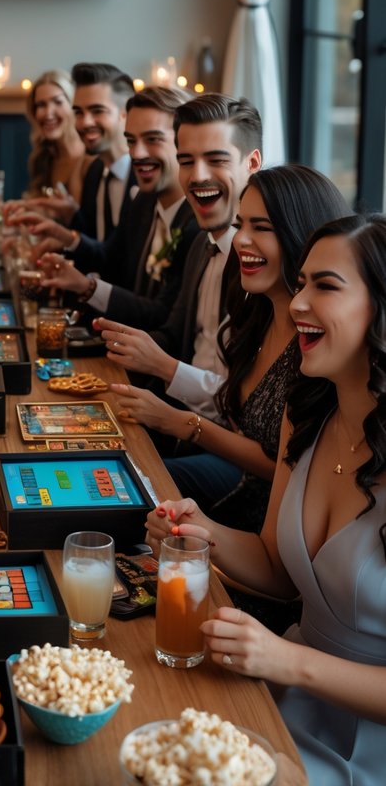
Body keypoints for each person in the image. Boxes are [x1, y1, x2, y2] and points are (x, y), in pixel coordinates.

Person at [146, 214, 386, 786]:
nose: (298, 302)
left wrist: (286, 660)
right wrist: (205, 533)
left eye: (325, 286)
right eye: (301, 283)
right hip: (286, 697)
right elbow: (280, 573)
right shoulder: (305, 416)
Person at [111, 165, 348, 530]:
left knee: (127, 495)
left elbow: (291, 467)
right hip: (235, 484)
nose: (240, 240)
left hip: (267, 517)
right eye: (242, 225)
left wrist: (183, 423)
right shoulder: (257, 313)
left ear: (303, 236)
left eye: (262, 228)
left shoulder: (318, 344)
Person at [96, 93, 262, 422]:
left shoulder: (265, 264)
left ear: (252, 164)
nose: (197, 176)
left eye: (216, 160)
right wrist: (119, 345)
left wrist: (162, 366)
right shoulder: (203, 245)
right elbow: (173, 333)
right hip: (181, 416)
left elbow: (248, 404)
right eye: (186, 161)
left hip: (228, 443)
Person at [37, 85, 200, 329]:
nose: (137, 153)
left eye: (153, 139)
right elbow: (110, 259)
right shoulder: (144, 202)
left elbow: (164, 316)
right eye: (131, 141)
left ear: (185, 143)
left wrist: (87, 287)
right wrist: (66, 239)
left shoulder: (198, 223)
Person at [9, 61, 136, 256]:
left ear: (125, 114)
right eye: (79, 112)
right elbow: (98, 252)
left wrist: (65, 237)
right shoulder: (97, 173)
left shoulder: (141, 177)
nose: (85, 122)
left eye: (97, 111)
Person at [24, 69, 90, 202]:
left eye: (58, 102)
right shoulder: (42, 158)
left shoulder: (90, 159)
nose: (48, 113)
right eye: (41, 105)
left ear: (74, 106)